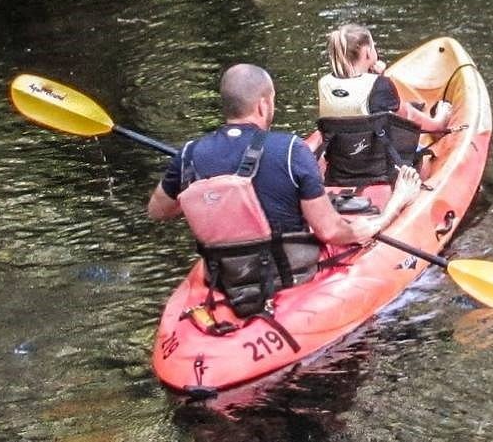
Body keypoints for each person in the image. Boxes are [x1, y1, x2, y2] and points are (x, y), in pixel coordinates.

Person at [147, 64, 383, 319]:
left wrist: (202, 186)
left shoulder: (189, 154)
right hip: (289, 278)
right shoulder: (292, 150)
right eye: (272, 100)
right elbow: (330, 230)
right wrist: (366, 228)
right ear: (262, 105)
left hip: (225, 280)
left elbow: (157, 211)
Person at [316, 24, 451, 191]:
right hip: (377, 168)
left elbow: (357, 103)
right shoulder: (379, 86)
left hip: (341, 167)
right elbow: (410, 117)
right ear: (366, 52)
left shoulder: (324, 84)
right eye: (373, 46)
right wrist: (441, 120)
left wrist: (378, 76)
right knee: (422, 152)